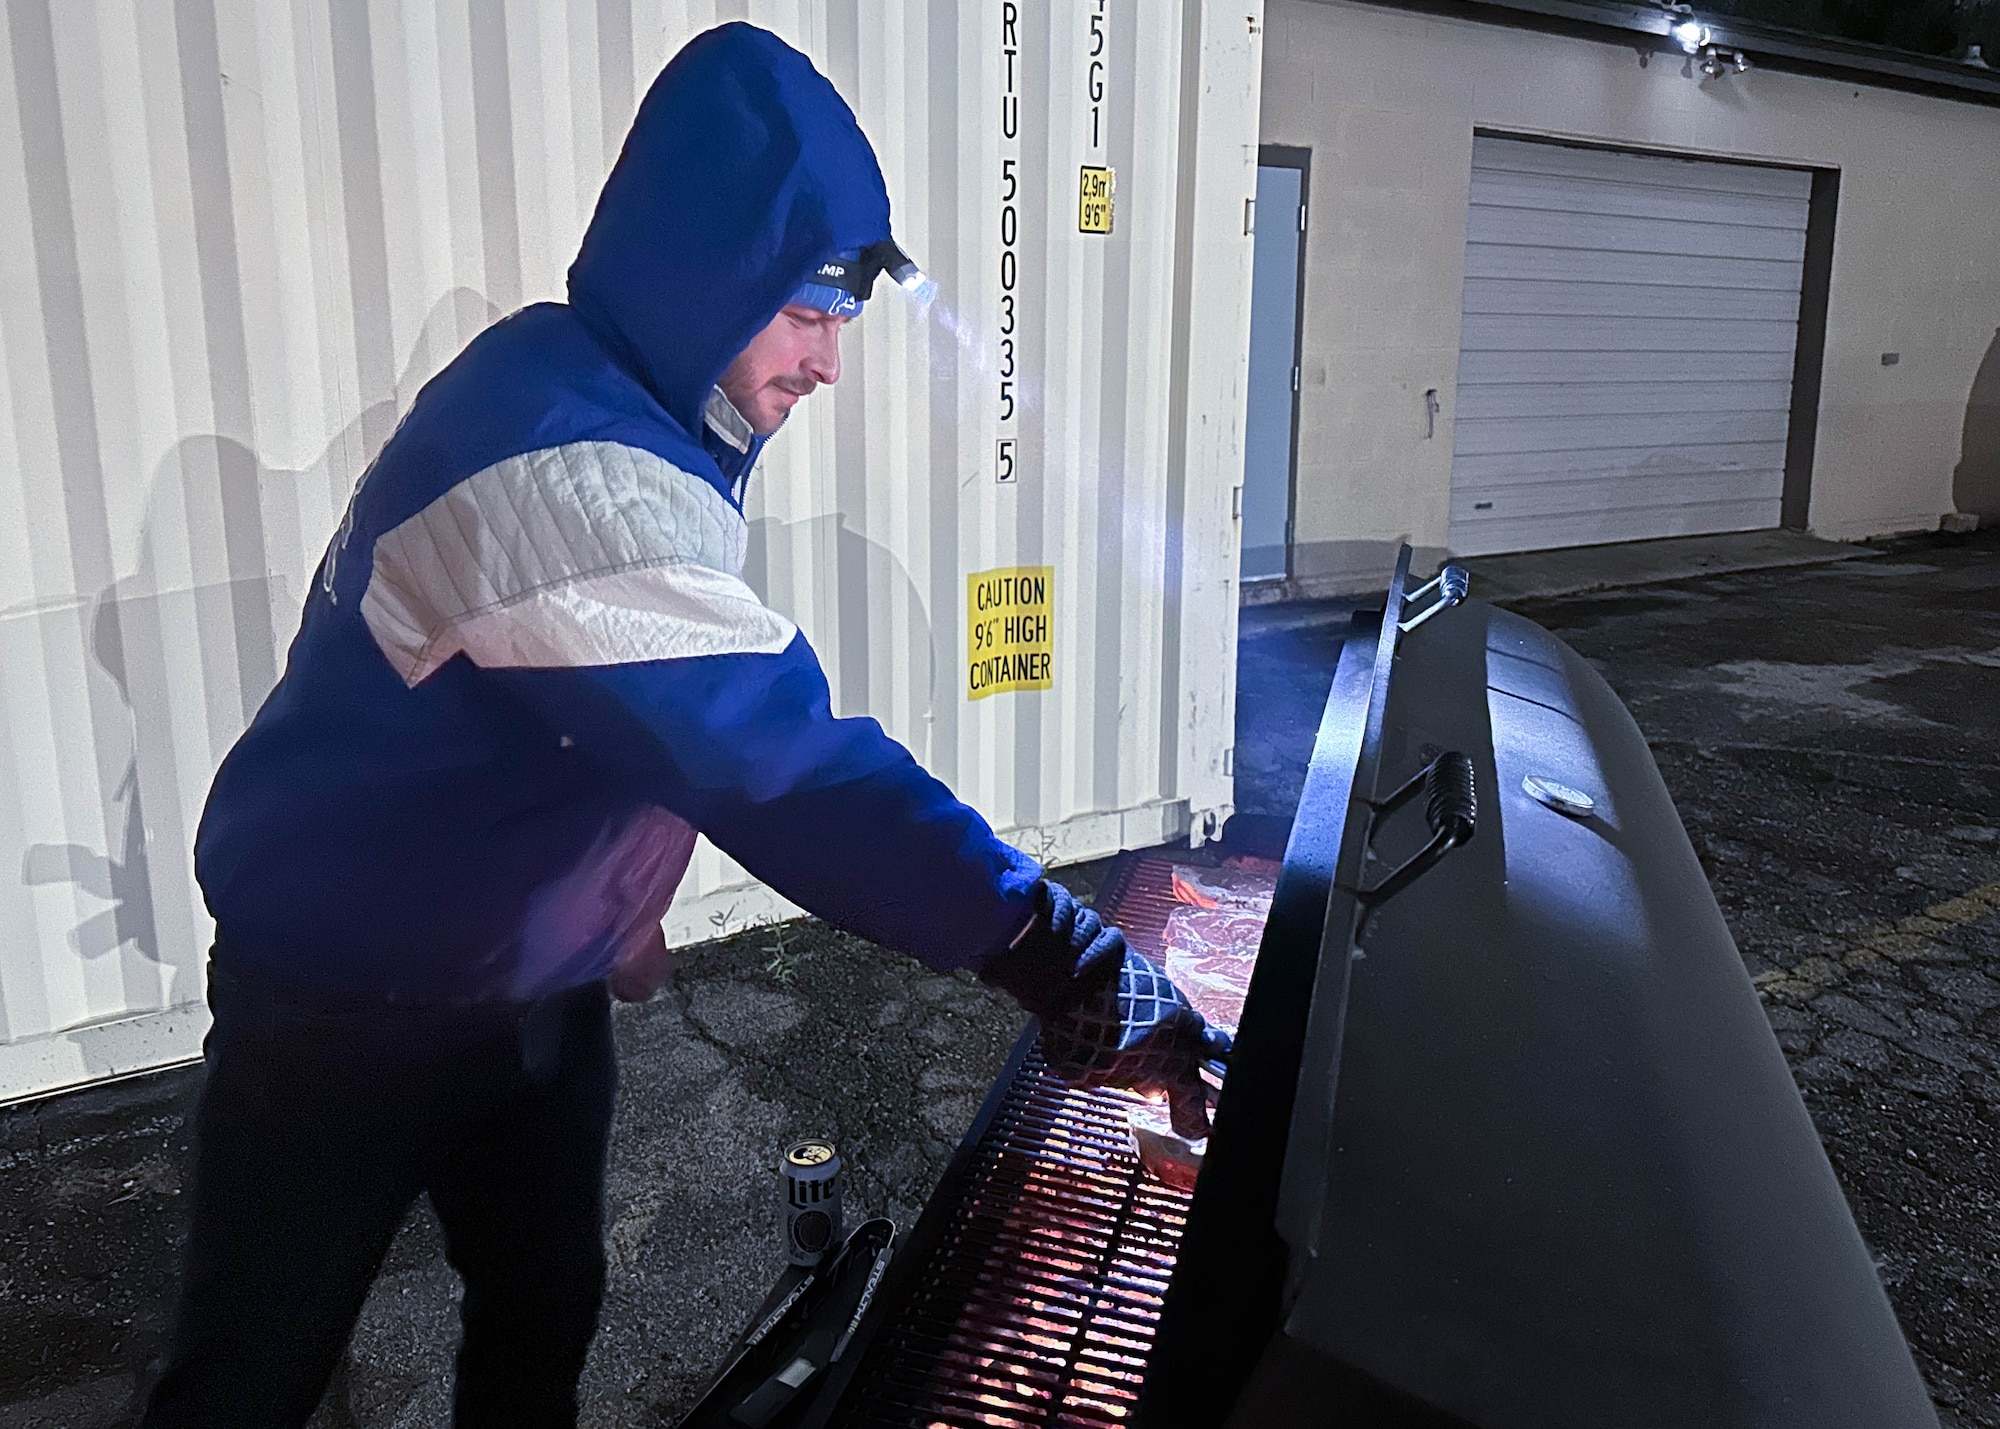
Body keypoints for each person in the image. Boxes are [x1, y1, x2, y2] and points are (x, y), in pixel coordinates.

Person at [142, 23, 1228, 1429]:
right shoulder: (560, 464)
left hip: (524, 982)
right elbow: (782, 768)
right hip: (339, 1003)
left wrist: (610, 899)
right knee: (248, 1375)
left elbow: (581, 710)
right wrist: (1061, 957)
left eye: (844, 320)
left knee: (543, 1301)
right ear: (703, 273)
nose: (830, 364)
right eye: (807, 314)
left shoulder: (605, 398)